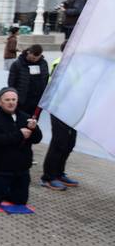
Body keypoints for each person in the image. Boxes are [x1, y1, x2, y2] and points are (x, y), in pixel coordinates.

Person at [40, 44, 79, 191]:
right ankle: (48, 177)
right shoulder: (60, 64)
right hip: (59, 108)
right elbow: (59, 87)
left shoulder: (76, 65)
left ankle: (59, 173)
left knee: (70, 142)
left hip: (72, 109)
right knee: (59, 142)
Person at [7, 44, 49, 116]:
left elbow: (46, 79)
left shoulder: (43, 63)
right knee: (22, 122)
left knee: (34, 123)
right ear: (28, 52)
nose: (34, 60)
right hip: (23, 101)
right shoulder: (17, 64)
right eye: (33, 58)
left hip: (38, 101)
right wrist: (15, 99)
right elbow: (11, 83)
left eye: (37, 58)